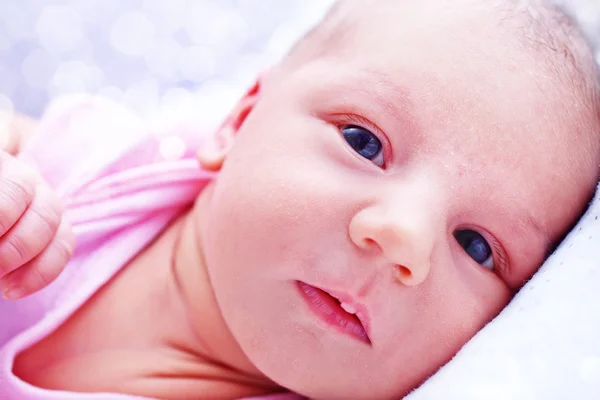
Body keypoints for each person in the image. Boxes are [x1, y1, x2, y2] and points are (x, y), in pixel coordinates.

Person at [1, 0, 599, 399]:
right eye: (365, 143)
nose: (404, 238)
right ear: (241, 117)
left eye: (475, 246)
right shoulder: (91, 167)